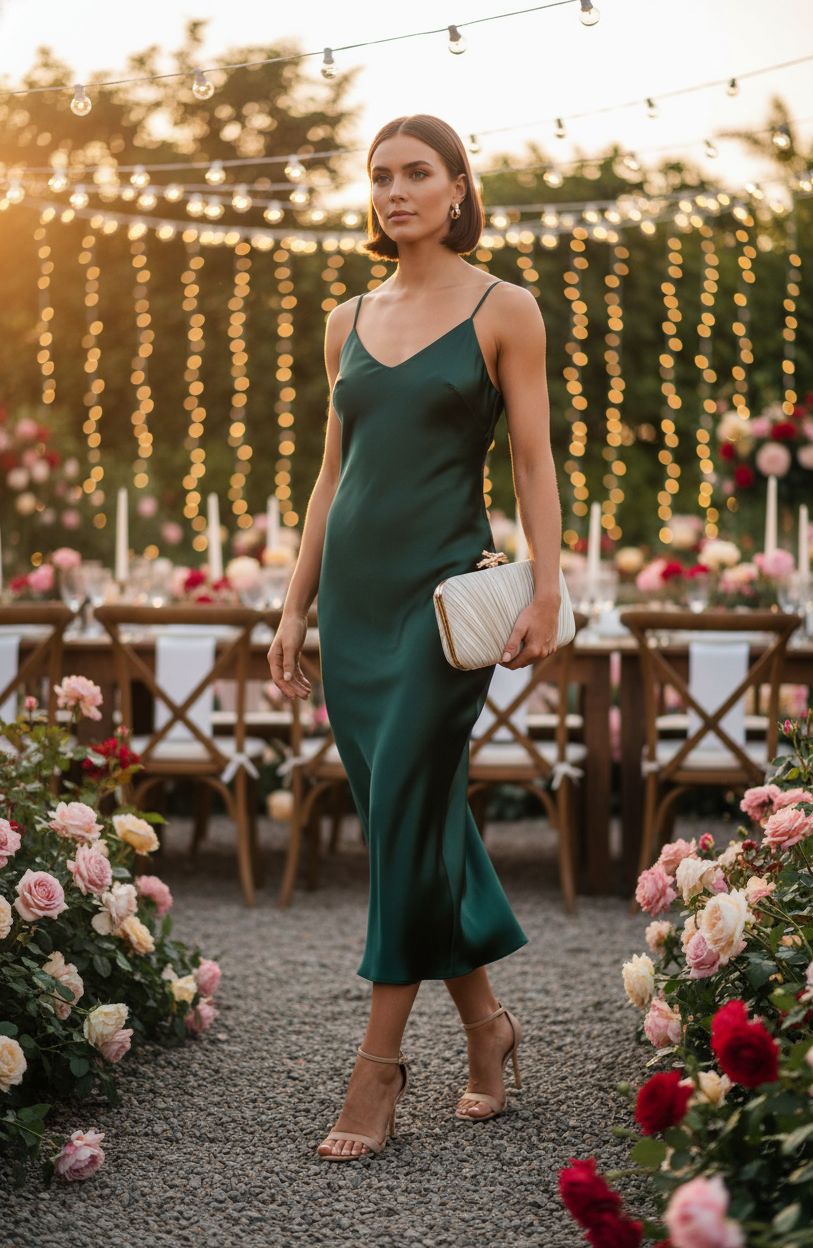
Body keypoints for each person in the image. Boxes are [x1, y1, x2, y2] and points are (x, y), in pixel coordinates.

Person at [267, 113, 563, 1160]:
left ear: (456, 189)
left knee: (401, 812)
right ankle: (489, 1029)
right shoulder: (346, 316)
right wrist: (294, 605)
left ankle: (378, 1068)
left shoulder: (503, 307)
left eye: (416, 174)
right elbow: (329, 475)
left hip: (439, 609)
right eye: (381, 176)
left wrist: (547, 589)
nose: (396, 191)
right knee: (418, 817)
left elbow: (532, 462)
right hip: (351, 603)